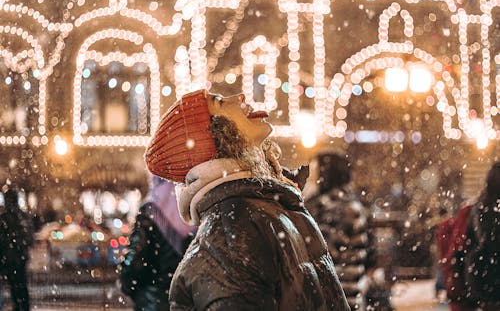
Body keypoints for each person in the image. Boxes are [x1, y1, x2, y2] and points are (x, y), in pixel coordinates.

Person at [144, 89, 350, 310]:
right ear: (213, 136)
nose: (239, 96)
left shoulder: (261, 206)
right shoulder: (230, 234)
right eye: (220, 101)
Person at [305, 153, 392, 311]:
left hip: (330, 297)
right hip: (347, 296)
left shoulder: (331, 209)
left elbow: (316, 253)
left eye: (314, 171)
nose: (309, 177)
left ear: (326, 174)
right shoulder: (351, 205)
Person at [120, 175, 196, 311]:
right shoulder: (195, 208)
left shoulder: (152, 209)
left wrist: (126, 284)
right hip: (188, 301)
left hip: (154, 301)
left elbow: (136, 262)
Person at [464, 162, 500, 311]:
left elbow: (471, 241)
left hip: (485, 282)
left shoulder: (480, 206)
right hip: (489, 279)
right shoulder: (484, 207)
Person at [0, 188, 34, 311]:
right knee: (21, 286)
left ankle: (19, 306)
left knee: (15, 286)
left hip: (10, 258)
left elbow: (2, 239)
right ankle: (23, 307)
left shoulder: (5, 218)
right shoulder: (22, 217)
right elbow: (30, 239)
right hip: (19, 257)